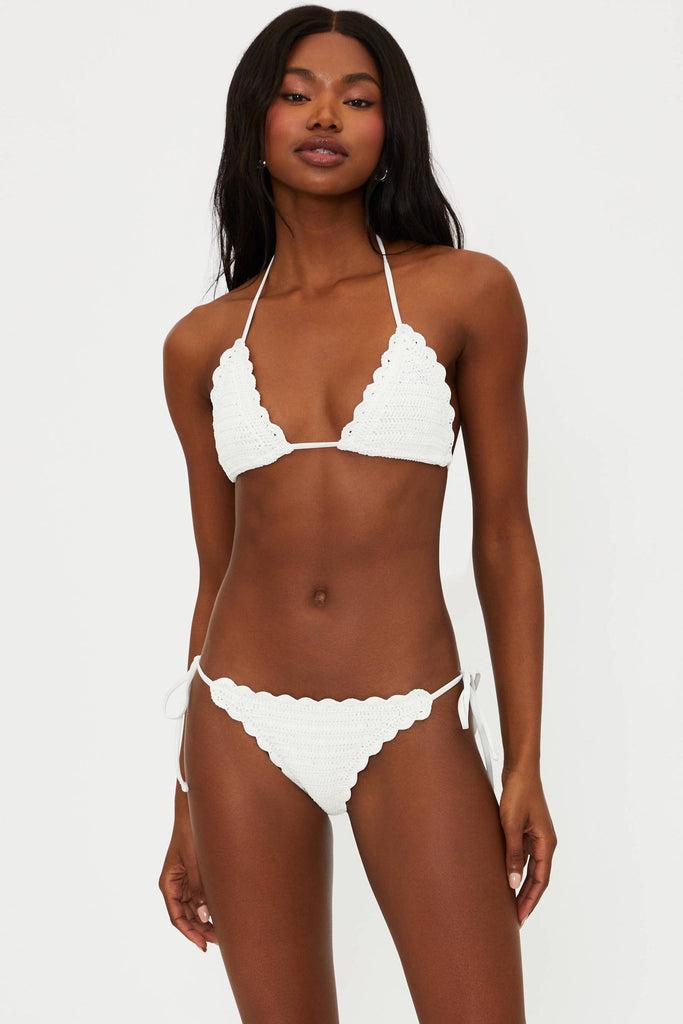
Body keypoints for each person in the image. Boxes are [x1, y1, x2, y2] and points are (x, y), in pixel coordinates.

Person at [159, 6, 557, 1021]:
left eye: (358, 97)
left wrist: (522, 760)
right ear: (255, 122)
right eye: (296, 93)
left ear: (391, 129)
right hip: (238, 722)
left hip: (410, 716)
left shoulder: (464, 294)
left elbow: (503, 536)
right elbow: (214, 570)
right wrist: (183, 797)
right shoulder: (201, 342)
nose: (325, 114)